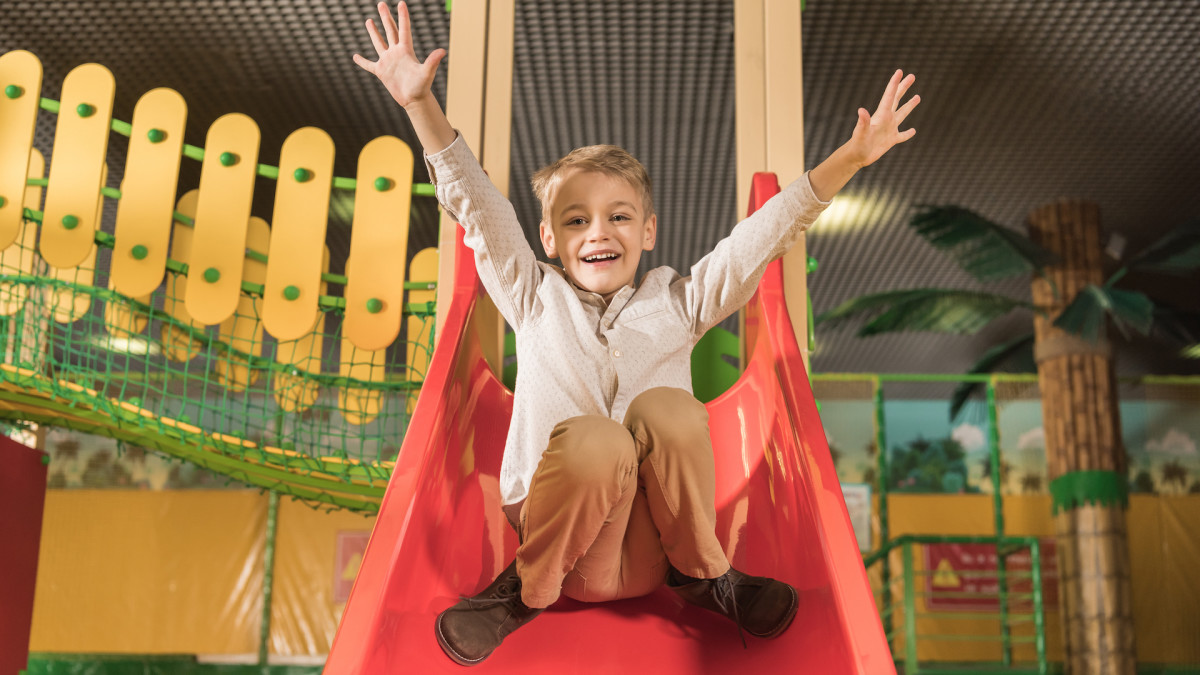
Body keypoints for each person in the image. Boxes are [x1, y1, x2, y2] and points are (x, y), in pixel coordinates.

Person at [354, 1, 919, 666]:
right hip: (562, 551)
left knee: (669, 411)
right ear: (548, 239)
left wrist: (851, 157)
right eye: (575, 221)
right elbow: (477, 204)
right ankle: (519, 593)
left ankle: (707, 573)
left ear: (647, 232)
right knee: (597, 438)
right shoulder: (534, 296)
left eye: (619, 216)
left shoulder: (676, 303)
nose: (599, 232)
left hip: (657, 549)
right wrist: (421, 105)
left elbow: (758, 240)